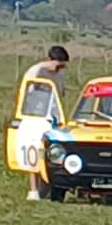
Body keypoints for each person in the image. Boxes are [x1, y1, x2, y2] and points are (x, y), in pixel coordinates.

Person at [22, 46, 69, 201]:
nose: (59, 69)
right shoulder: (36, 72)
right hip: (36, 118)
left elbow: (59, 96)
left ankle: (48, 189)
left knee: (51, 154)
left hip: (52, 119)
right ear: (49, 60)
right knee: (35, 152)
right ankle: (33, 190)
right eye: (58, 65)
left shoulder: (59, 77)